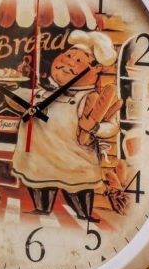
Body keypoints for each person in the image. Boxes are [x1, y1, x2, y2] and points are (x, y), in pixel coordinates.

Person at [10, 30, 121, 222]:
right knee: (39, 181)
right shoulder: (43, 93)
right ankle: (42, 208)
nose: (68, 63)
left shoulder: (90, 99)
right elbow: (22, 98)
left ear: (95, 69)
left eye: (78, 61)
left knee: (78, 186)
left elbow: (112, 127)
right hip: (39, 157)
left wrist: (94, 128)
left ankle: (83, 214)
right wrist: (10, 89)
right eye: (68, 56)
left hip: (74, 160)